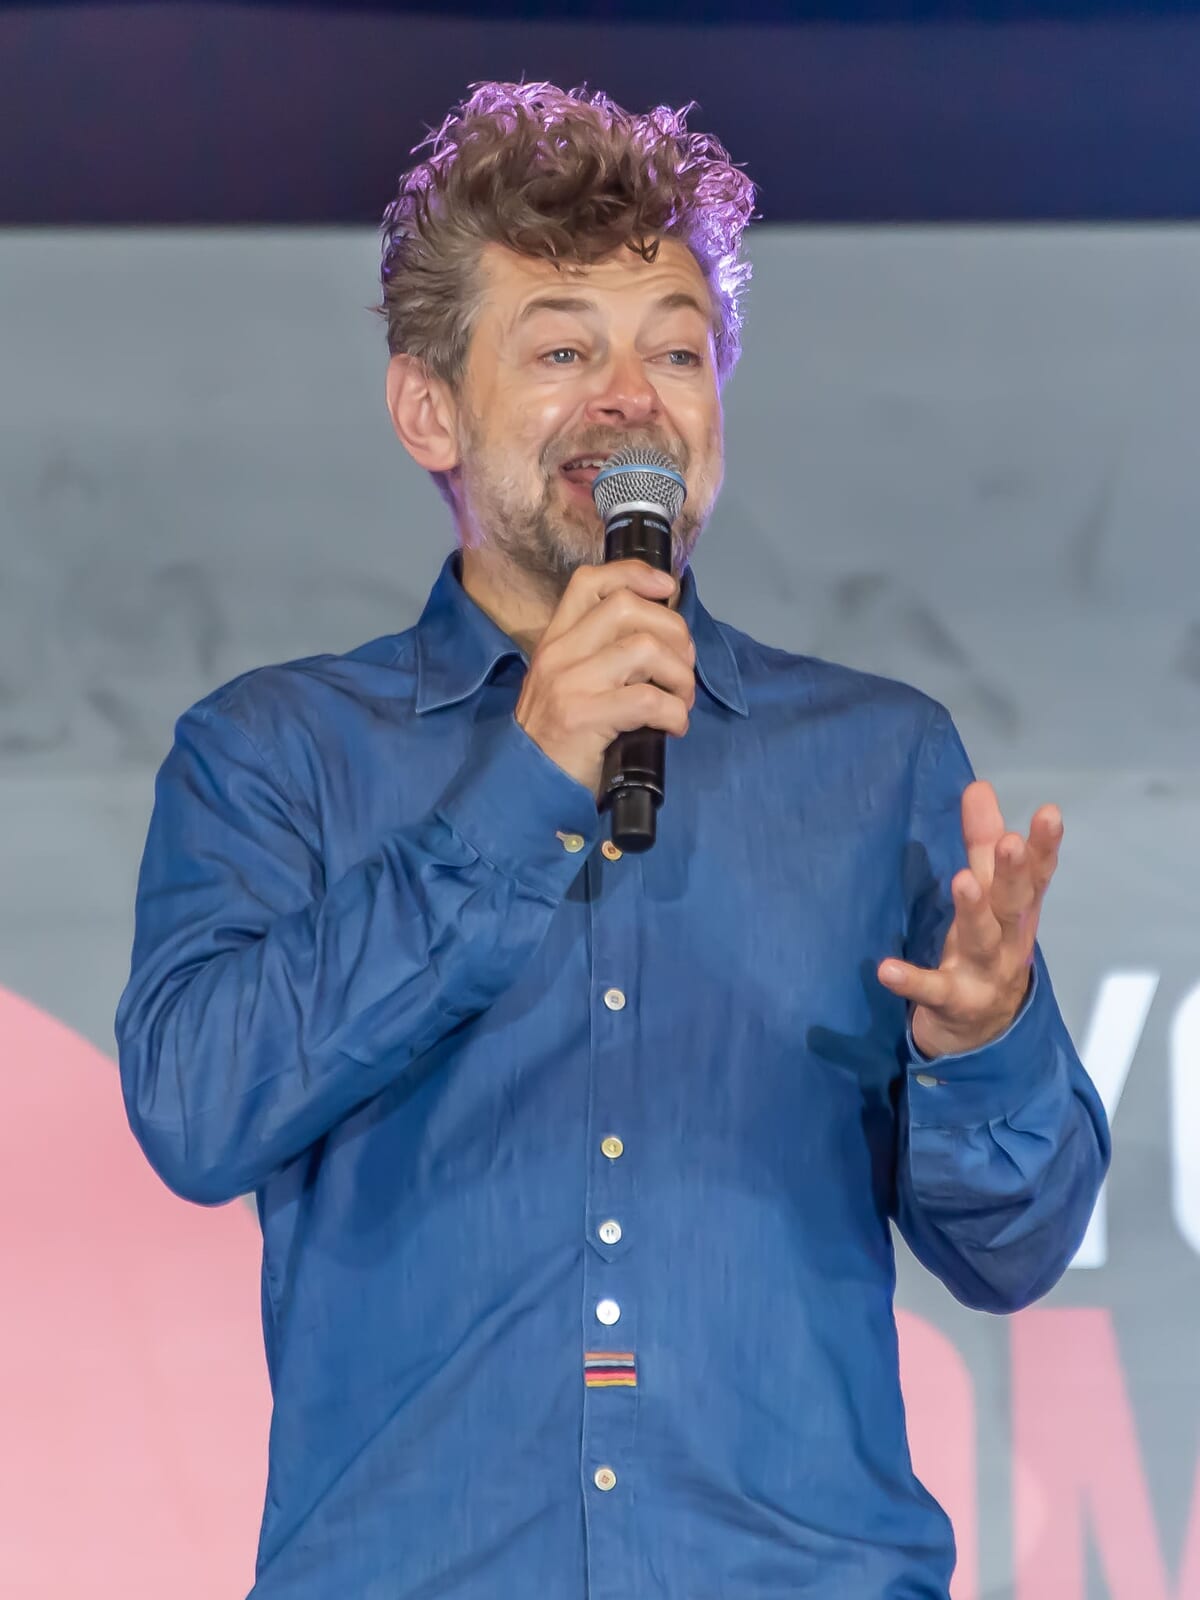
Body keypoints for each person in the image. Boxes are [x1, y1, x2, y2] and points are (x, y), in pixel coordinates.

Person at [115, 80, 1109, 1600]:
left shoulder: (876, 760)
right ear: (428, 409)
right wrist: (524, 780)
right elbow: (196, 1109)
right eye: (565, 349)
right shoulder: (275, 755)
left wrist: (984, 1042)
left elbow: (1016, 1252)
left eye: (677, 351)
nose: (634, 399)